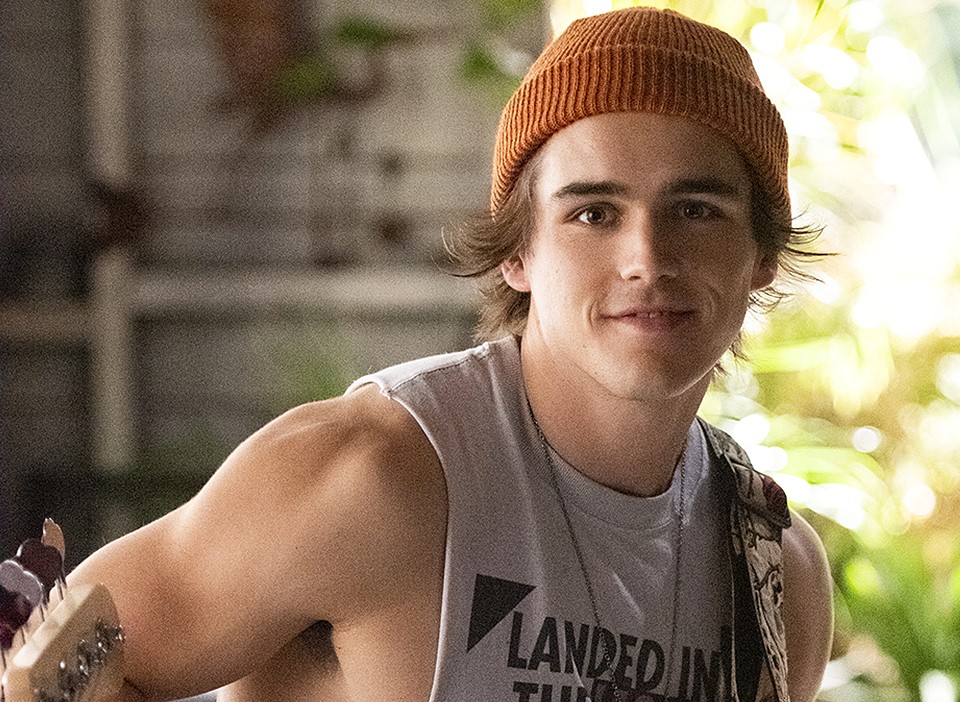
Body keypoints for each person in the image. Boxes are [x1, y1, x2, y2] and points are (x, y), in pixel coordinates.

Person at [67, 7, 834, 701]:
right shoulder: (371, 476)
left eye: (695, 210)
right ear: (517, 252)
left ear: (762, 254)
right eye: (594, 213)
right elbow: (55, 670)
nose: (647, 259)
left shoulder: (777, 573)